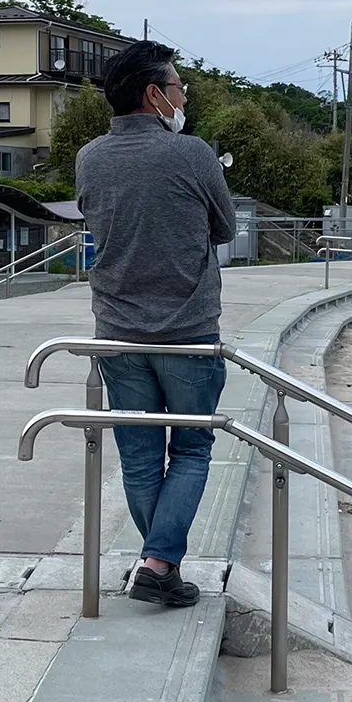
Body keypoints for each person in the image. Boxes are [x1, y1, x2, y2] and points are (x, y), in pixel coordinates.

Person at [75, 41, 236, 608]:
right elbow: (225, 228)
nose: (182, 96)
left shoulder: (90, 157)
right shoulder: (191, 153)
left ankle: (157, 564)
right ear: (153, 94)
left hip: (117, 330)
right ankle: (160, 562)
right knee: (191, 449)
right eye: (177, 87)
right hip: (189, 332)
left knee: (139, 456)